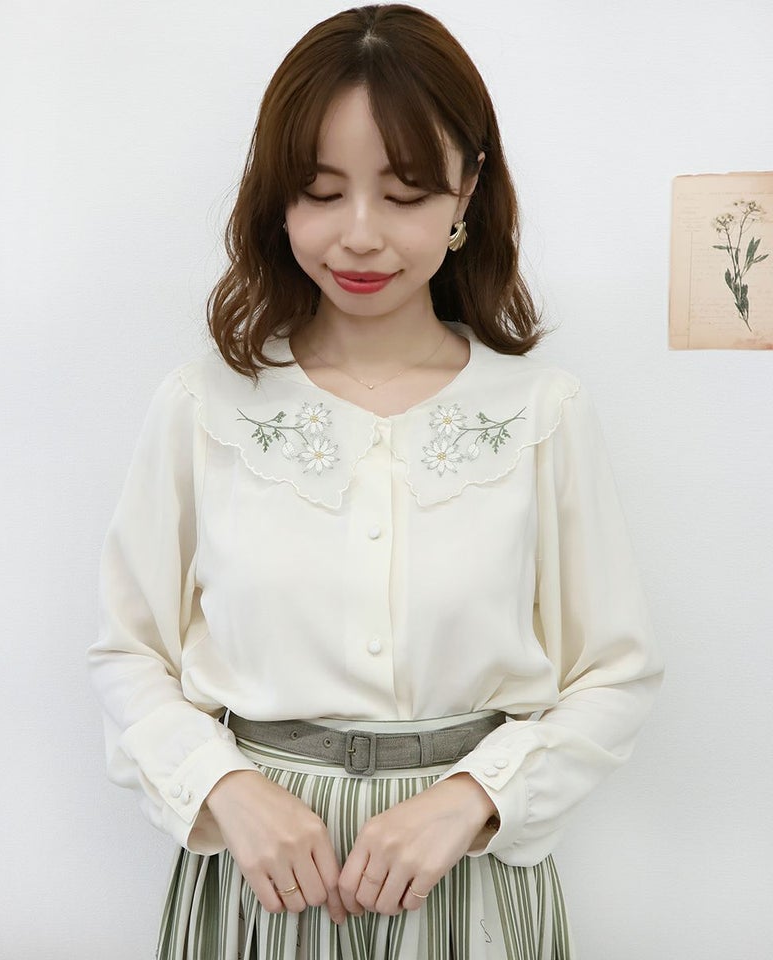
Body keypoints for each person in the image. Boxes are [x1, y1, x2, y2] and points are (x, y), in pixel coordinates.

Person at [87, 5, 664, 959]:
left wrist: (474, 798)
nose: (359, 236)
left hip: (470, 879)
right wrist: (224, 787)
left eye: (405, 194)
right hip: (262, 887)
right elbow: (127, 652)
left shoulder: (542, 412)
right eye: (321, 192)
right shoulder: (202, 407)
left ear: (467, 190)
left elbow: (614, 672)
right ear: (278, 199)